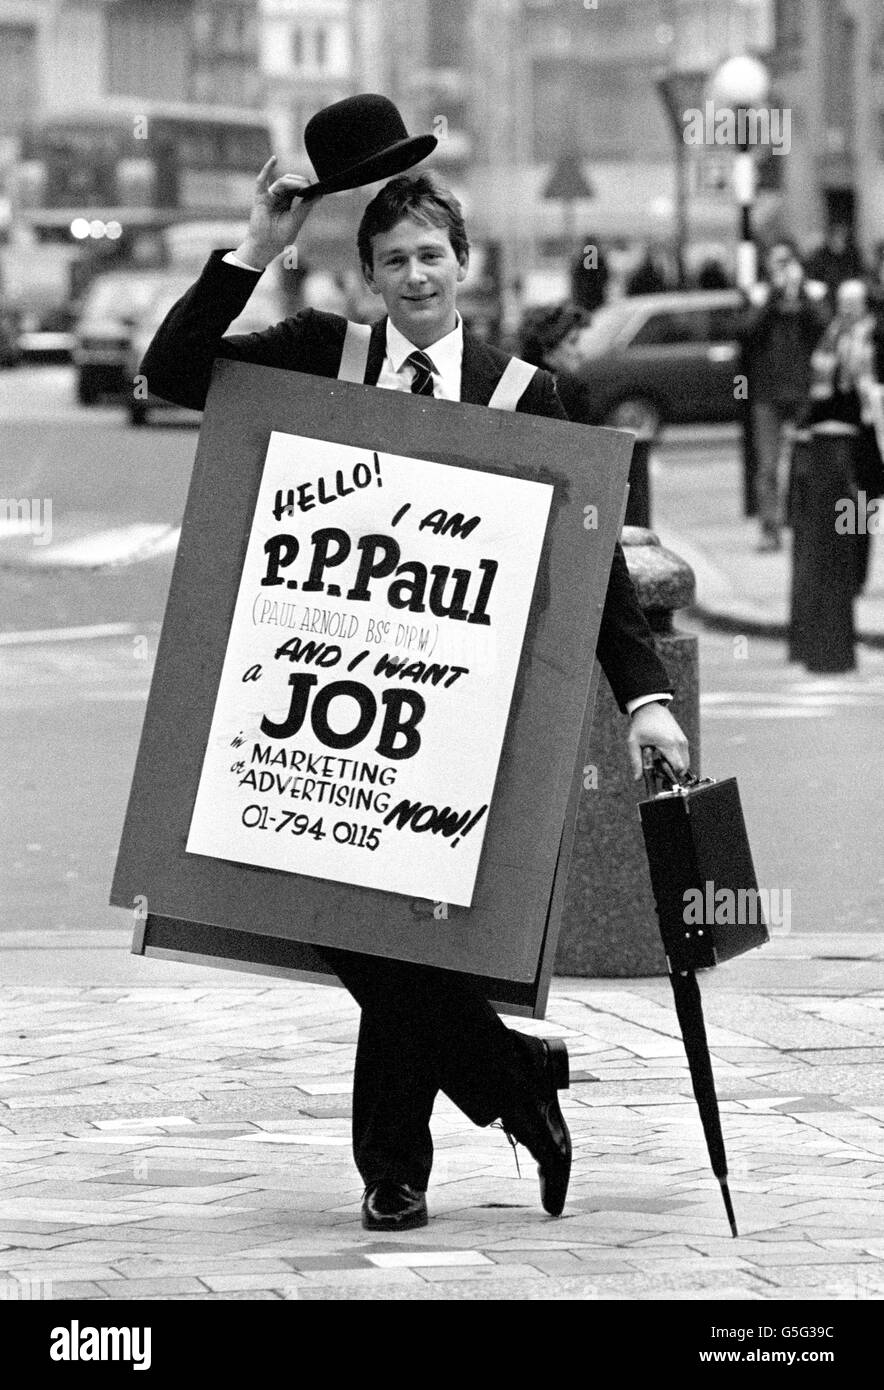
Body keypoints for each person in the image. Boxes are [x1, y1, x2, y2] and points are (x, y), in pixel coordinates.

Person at [140, 157, 690, 1233]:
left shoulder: (532, 397)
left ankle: (397, 1170)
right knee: (336, 908)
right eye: (391, 260)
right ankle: (506, 1081)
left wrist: (643, 701)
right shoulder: (317, 358)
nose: (413, 276)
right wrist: (258, 240)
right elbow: (169, 372)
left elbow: (597, 582)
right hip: (327, 703)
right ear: (368, 276)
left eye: (430, 254)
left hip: (463, 722)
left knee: (410, 935)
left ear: (463, 265)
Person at [738, 241, 829, 551]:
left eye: (787, 261)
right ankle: (769, 528)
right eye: (776, 262)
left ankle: (805, 525)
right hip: (767, 392)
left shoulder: (813, 293)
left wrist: (800, 292)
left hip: (804, 392)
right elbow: (747, 332)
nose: (782, 268)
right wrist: (773, 297)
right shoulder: (759, 295)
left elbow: (824, 326)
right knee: (768, 466)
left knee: (807, 462)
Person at [805, 279, 884, 590]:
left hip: (867, 429)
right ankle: (842, 570)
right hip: (835, 428)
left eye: (854, 304)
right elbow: (820, 380)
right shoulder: (832, 334)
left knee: (863, 504)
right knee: (839, 501)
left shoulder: (876, 334)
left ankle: (857, 574)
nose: (847, 310)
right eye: (843, 303)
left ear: (864, 305)